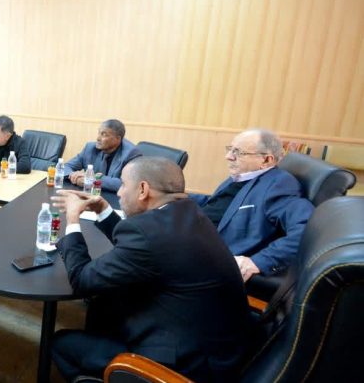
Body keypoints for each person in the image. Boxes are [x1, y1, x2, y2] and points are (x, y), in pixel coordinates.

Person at [50, 156, 249, 382]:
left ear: (143, 189)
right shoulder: (187, 213)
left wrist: (72, 220)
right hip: (218, 342)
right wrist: (103, 210)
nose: (119, 192)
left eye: (124, 184)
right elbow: (147, 245)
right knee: (103, 301)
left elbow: (82, 280)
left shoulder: (149, 233)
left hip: (188, 364)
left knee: (60, 343)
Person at [190, 129, 314, 281]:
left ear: (266, 160)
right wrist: (178, 196)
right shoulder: (242, 176)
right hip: (192, 237)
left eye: (238, 152)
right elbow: (219, 204)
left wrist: (260, 261)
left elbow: (308, 229)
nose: (228, 156)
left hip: (208, 256)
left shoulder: (279, 185)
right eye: (230, 149)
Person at [63, 119, 141, 192]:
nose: (98, 138)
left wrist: (92, 179)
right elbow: (65, 167)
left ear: (117, 139)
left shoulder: (130, 153)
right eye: (99, 133)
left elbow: (128, 184)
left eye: (104, 134)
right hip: (92, 194)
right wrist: (75, 177)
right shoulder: (90, 148)